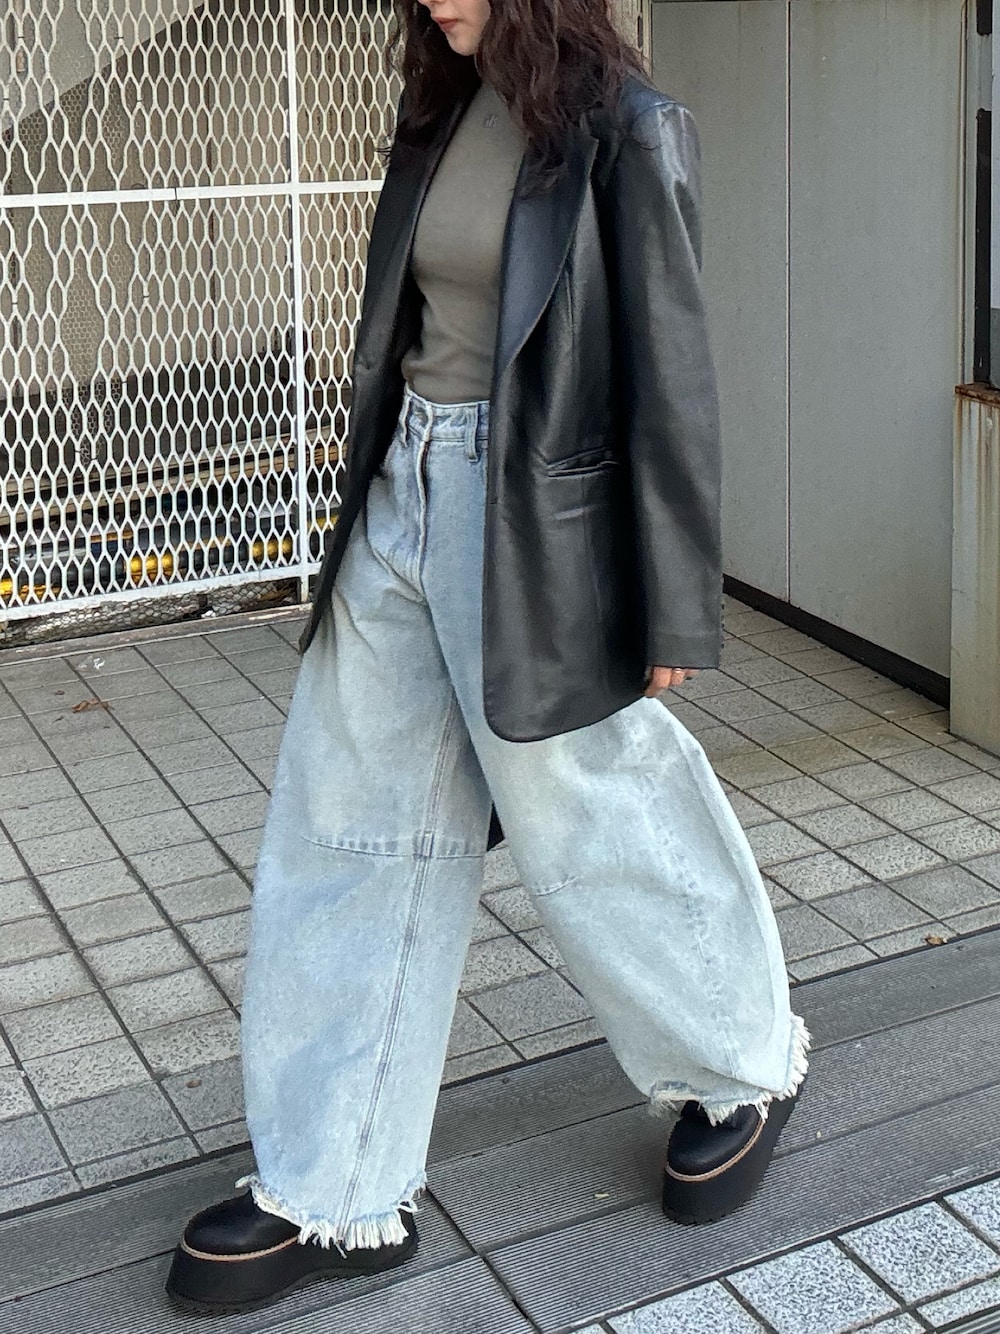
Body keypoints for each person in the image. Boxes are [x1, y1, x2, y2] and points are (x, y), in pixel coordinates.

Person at [165, 0, 810, 1315]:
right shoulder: (444, 111)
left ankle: (741, 1062)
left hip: (535, 519)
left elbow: (673, 376)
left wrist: (672, 604)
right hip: (403, 490)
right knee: (348, 824)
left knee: (592, 806)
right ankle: (335, 1184)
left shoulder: (626, 132)